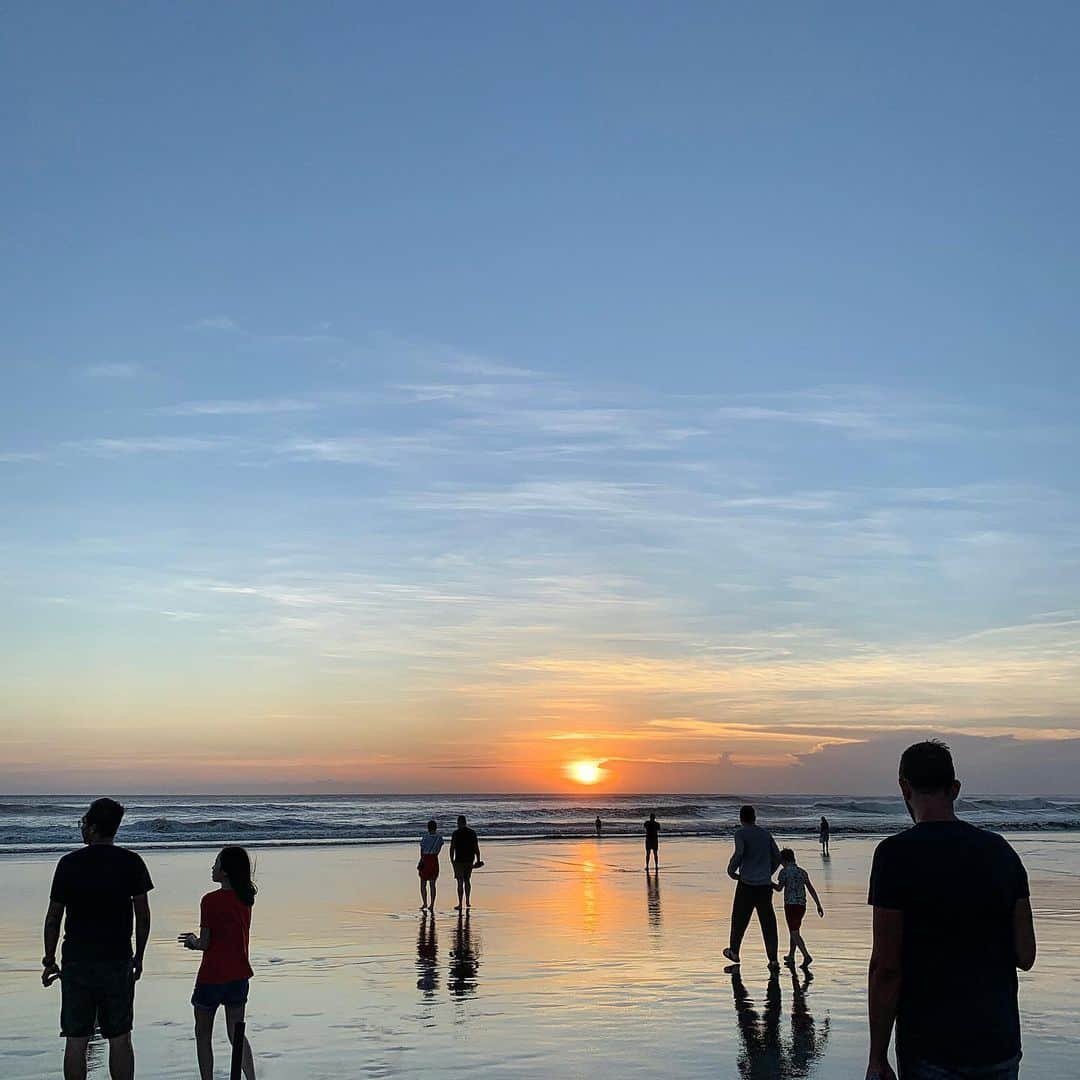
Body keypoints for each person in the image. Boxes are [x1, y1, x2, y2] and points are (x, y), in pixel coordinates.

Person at [866, 740, 1036, 1080]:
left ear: (904, 788)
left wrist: (877, 1057)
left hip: (930, 1045)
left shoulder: (894, 856)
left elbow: (887, 967)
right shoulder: (1001, 852)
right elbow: (1025, 954)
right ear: (955, 789)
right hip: (997, 1042)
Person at [41, 797, 153, 1080]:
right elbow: (143, 915)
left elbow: (54, 917)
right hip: (117, 958)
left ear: (91, 828)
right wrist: (139, 956)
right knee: (120, 1036)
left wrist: (49, 957)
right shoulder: (131, 862)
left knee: (76, 1039)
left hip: (78, 959)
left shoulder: (69, 864)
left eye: (84, 823)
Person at [179, 846, 257, 1080]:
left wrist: (192, 941)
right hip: (239, 974)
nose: (213, 867)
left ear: (225, 872)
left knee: (203, 1034)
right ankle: (251, 1077)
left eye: (216, 863)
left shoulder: (210, 900)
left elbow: (205, 943)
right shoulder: (245, 899)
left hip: (212, 976)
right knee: (236, 1033)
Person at [723, 804, 782, 971]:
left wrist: (731, 869)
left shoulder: (740, 833)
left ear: (741, 818)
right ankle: (773, 959)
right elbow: (777, 857)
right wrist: (768, 872)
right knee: (768, 923)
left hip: (746, 884)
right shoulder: (765, 834)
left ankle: (734, 951)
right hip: (764, 885)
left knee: (739, 919)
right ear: (754, 817)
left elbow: (740, 852)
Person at [774, 848, 824, 968]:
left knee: (794, 932)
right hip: (802, 905)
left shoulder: (784, 872)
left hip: (790, 905)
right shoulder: (802, 872)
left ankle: (806, 956)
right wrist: (818, 904)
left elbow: (779, 888)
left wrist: (768, 883)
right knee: (795, 930)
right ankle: (791, 955)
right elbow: (811, 888)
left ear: (784, 860)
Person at [449, 815, 482, 910]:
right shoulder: (472, 833)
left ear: (459, 822)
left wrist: (452, 860)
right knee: (467, 880)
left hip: (459, 860)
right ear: (465, 822)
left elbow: (452, 848)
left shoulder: (456, 833)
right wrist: (478, 859)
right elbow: (476, 847)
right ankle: (467, 901)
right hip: (469, 859)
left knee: (460, 881)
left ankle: (460, 903)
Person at [418, 819, 444, 911]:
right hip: (434, 859)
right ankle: (432, 904)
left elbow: (422, 851)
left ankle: (425, 903)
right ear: (436, 828)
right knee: (432, 884)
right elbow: (439, 848)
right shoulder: (439, 838)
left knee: (423, 883)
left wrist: (421, 861)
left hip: (425, 859)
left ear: (428, 828)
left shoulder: (425, 838)